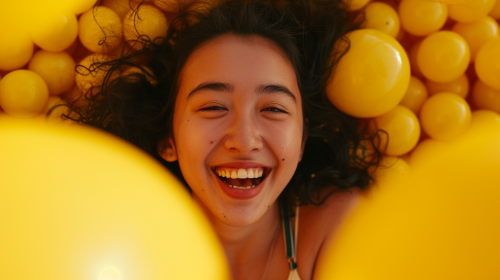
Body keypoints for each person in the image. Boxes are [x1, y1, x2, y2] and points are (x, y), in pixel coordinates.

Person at [62, 0, 381, 279]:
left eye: (272, 108)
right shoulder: (122, 248)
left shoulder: (338, 226)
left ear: (302, 140)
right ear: (168, 140)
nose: (244, 140)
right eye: (213, 107)